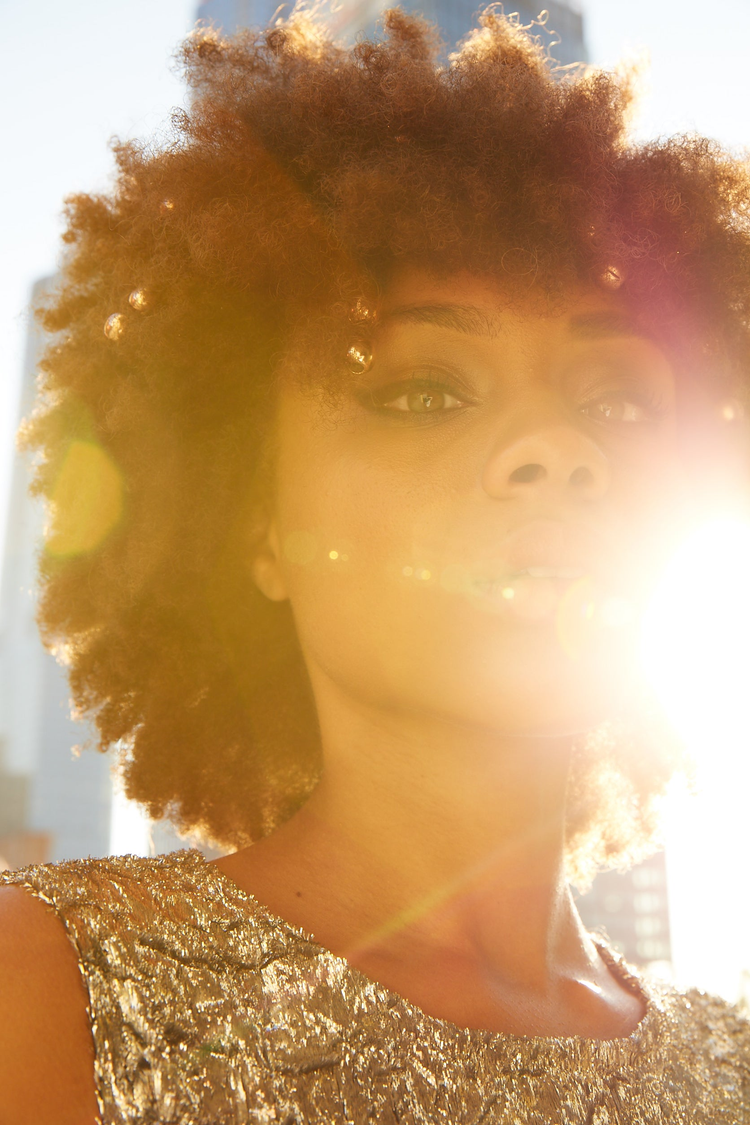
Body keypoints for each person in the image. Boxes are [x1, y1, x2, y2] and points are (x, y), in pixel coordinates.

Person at [1, 8, 749, 1123]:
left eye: (619, 401)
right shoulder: (42, 982)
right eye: (422, 392)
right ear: (250, 525)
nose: (561, 452)